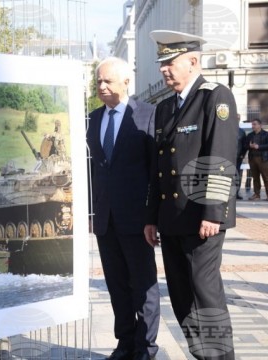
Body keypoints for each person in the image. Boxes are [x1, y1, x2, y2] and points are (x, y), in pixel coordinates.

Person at [145, 30, 238, 360]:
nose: (164, 70)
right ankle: (202, 356)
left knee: (205, 295)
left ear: (193, 61)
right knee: (182, 297)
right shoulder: (165, 107)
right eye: (162, 64)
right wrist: (151, 217)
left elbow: (222, 156)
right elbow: (160, 165)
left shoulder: (215, 97)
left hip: (202, 220)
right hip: (171, 221)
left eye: (170, 63)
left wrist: (213, 213)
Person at [86, 57, 160, 360]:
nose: (101, 87)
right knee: (116, 286)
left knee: (143, 288)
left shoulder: (147, 115)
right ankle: (125, 343)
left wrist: (152, 217)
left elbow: (156, 171)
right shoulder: (92, 118)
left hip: (137, 220)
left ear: (126, 82)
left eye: (108, 81)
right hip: (105, 221)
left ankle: (145, 348)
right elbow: (92, 170)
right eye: (98, 81)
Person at [246, 118, 268, 200]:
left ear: (260, 125)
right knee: (255, 178)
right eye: (252, 124)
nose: (253, 126)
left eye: (254, 124)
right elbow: (245, 146)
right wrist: (250, 146)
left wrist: (259, 147)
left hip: (263, 159)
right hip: (252, 159)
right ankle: (256, 194)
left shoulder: (266, 134)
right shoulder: (250, 135)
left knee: (266, 177)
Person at [236, 115, 248, 200]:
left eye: (238, 119)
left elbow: (244, 146)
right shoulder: (226, 130)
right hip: (228, 157)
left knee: (237, 176)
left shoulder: (241, 132)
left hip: (237, 158)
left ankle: (236, 193)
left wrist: (242, 155)